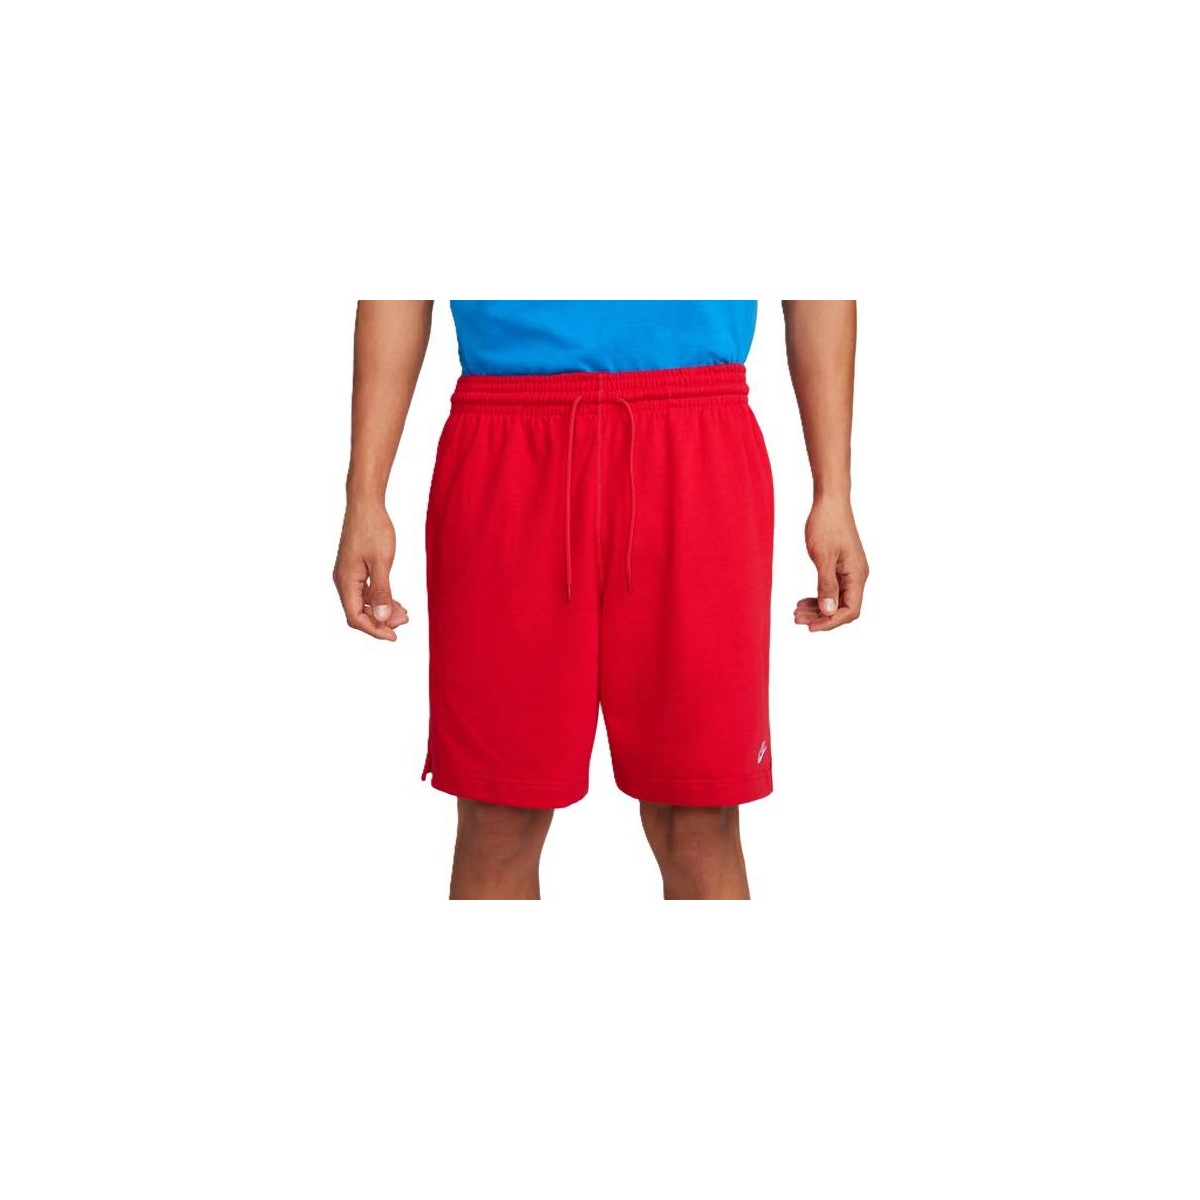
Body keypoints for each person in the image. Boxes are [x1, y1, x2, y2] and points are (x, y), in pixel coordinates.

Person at [333, 301, 867, 900]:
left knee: (698, 819)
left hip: (696, 433)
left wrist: (834, 492)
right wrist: (364, 497)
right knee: (498, 817)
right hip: (507, 436)